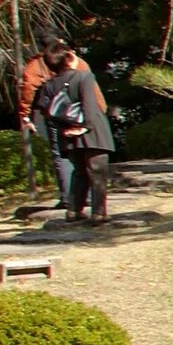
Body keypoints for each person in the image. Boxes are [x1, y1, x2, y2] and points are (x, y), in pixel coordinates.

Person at [34, 45, 112, 223]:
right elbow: (90, 105)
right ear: (69, 57)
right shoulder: (84, 76)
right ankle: (99, 213)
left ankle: (74, 210)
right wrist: (87, 126)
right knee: (97, 172)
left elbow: (47, 111)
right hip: (92, 133)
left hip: (67, 133)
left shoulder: (49, 85)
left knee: (79, 172)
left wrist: (64, 129)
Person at [14, 45, 54, 200]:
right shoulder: (70, 58)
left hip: (48, 110)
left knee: (57, 152)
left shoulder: (36, 64)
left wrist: (25, 115)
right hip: (72, 110)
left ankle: (68, 195)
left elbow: (29, 88)